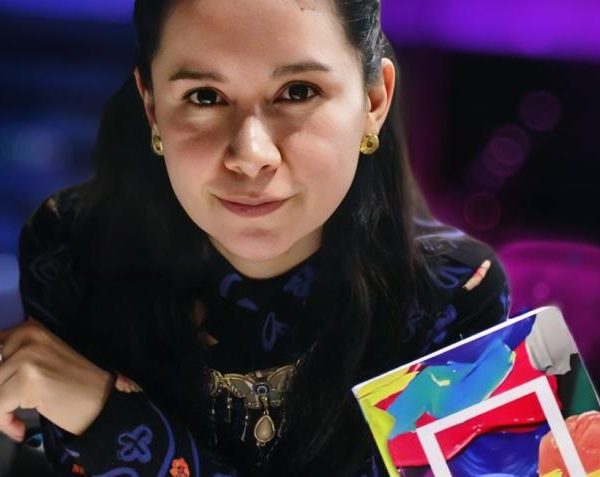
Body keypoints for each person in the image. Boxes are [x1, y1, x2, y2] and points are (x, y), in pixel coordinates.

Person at [0, 0, 511, 475]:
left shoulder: (456, 291)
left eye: (298, 92)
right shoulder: (72, 247)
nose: (250, 154)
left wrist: (103, 415)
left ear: (373, 101)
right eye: (205, 96)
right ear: (152, 108)